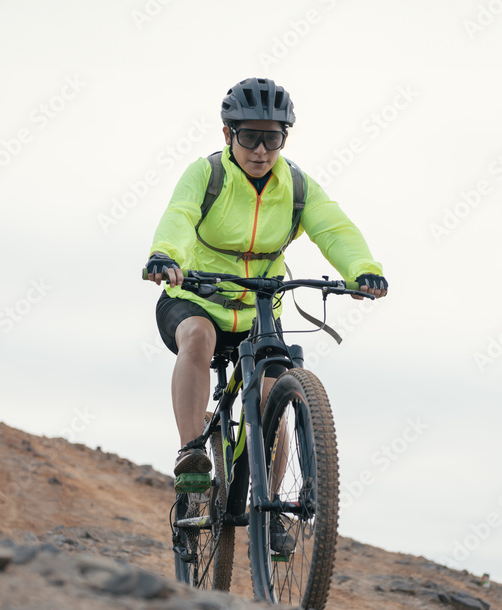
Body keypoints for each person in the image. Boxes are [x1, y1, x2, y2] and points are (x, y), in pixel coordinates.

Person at [144, 77, 388, 533]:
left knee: (276, 384)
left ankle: (269, 502)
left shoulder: (295, 185)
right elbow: (179, 215)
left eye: (272, 137)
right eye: (250, 136)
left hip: (260, 307)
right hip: (194, 295)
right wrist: (167, 257)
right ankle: (192, 455)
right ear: (227, 134)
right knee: (198, 336)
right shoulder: (207, 174)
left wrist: (362, 269)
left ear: (285, 138)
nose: (261, 149)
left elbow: (333, 228)